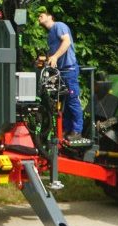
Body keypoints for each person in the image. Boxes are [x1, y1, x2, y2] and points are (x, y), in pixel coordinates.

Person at [36, 10, 84, 141]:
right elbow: (53, 55)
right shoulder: (50, 34)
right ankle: (68, 129)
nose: (38, 18)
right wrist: (46, 59)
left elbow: (66, 42)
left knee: (73, 100)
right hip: (61, 71)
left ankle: (77, 130)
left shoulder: (59, 26)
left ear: (50, 16)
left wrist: (55, 57)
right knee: (64, 102)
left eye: (41, 15)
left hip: (69, 69)